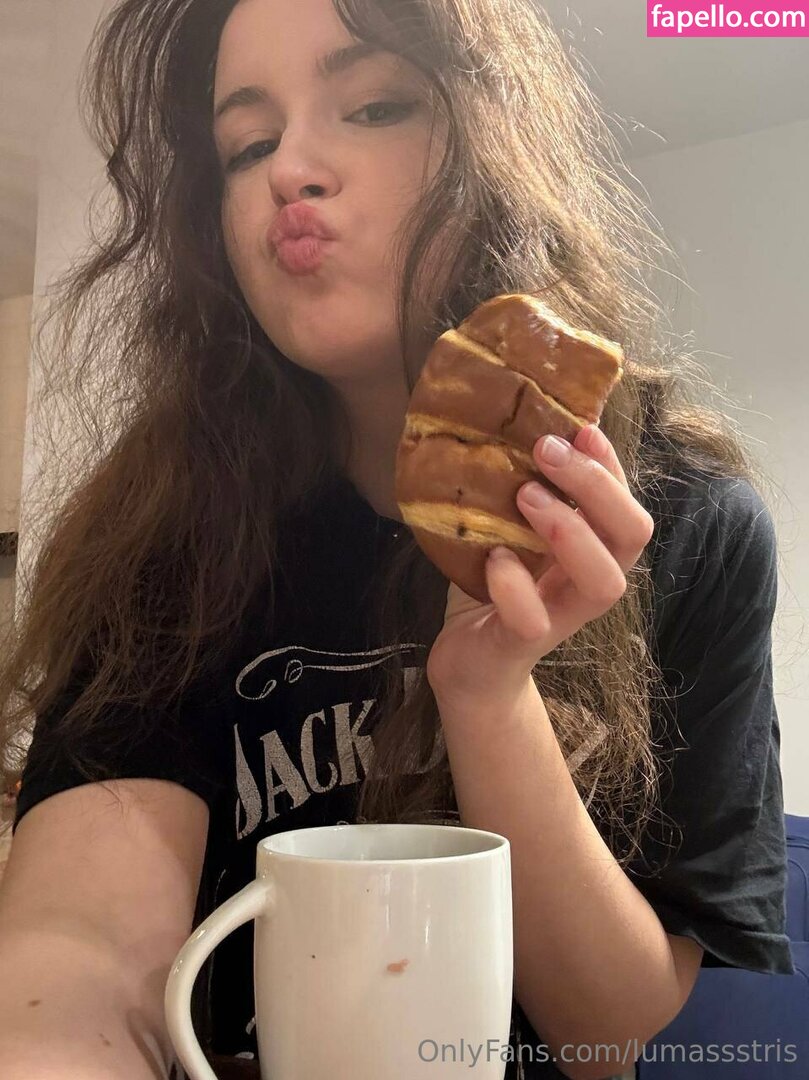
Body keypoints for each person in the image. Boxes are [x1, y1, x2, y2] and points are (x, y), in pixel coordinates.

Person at [0, 0, 794, 1078]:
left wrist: (487, 696)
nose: (290, 170)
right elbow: (76, 955)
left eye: (374, 105)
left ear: (491, 145)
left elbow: (605, 1034)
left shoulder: (686, 516)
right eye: (247, 145)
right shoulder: (163, 531)